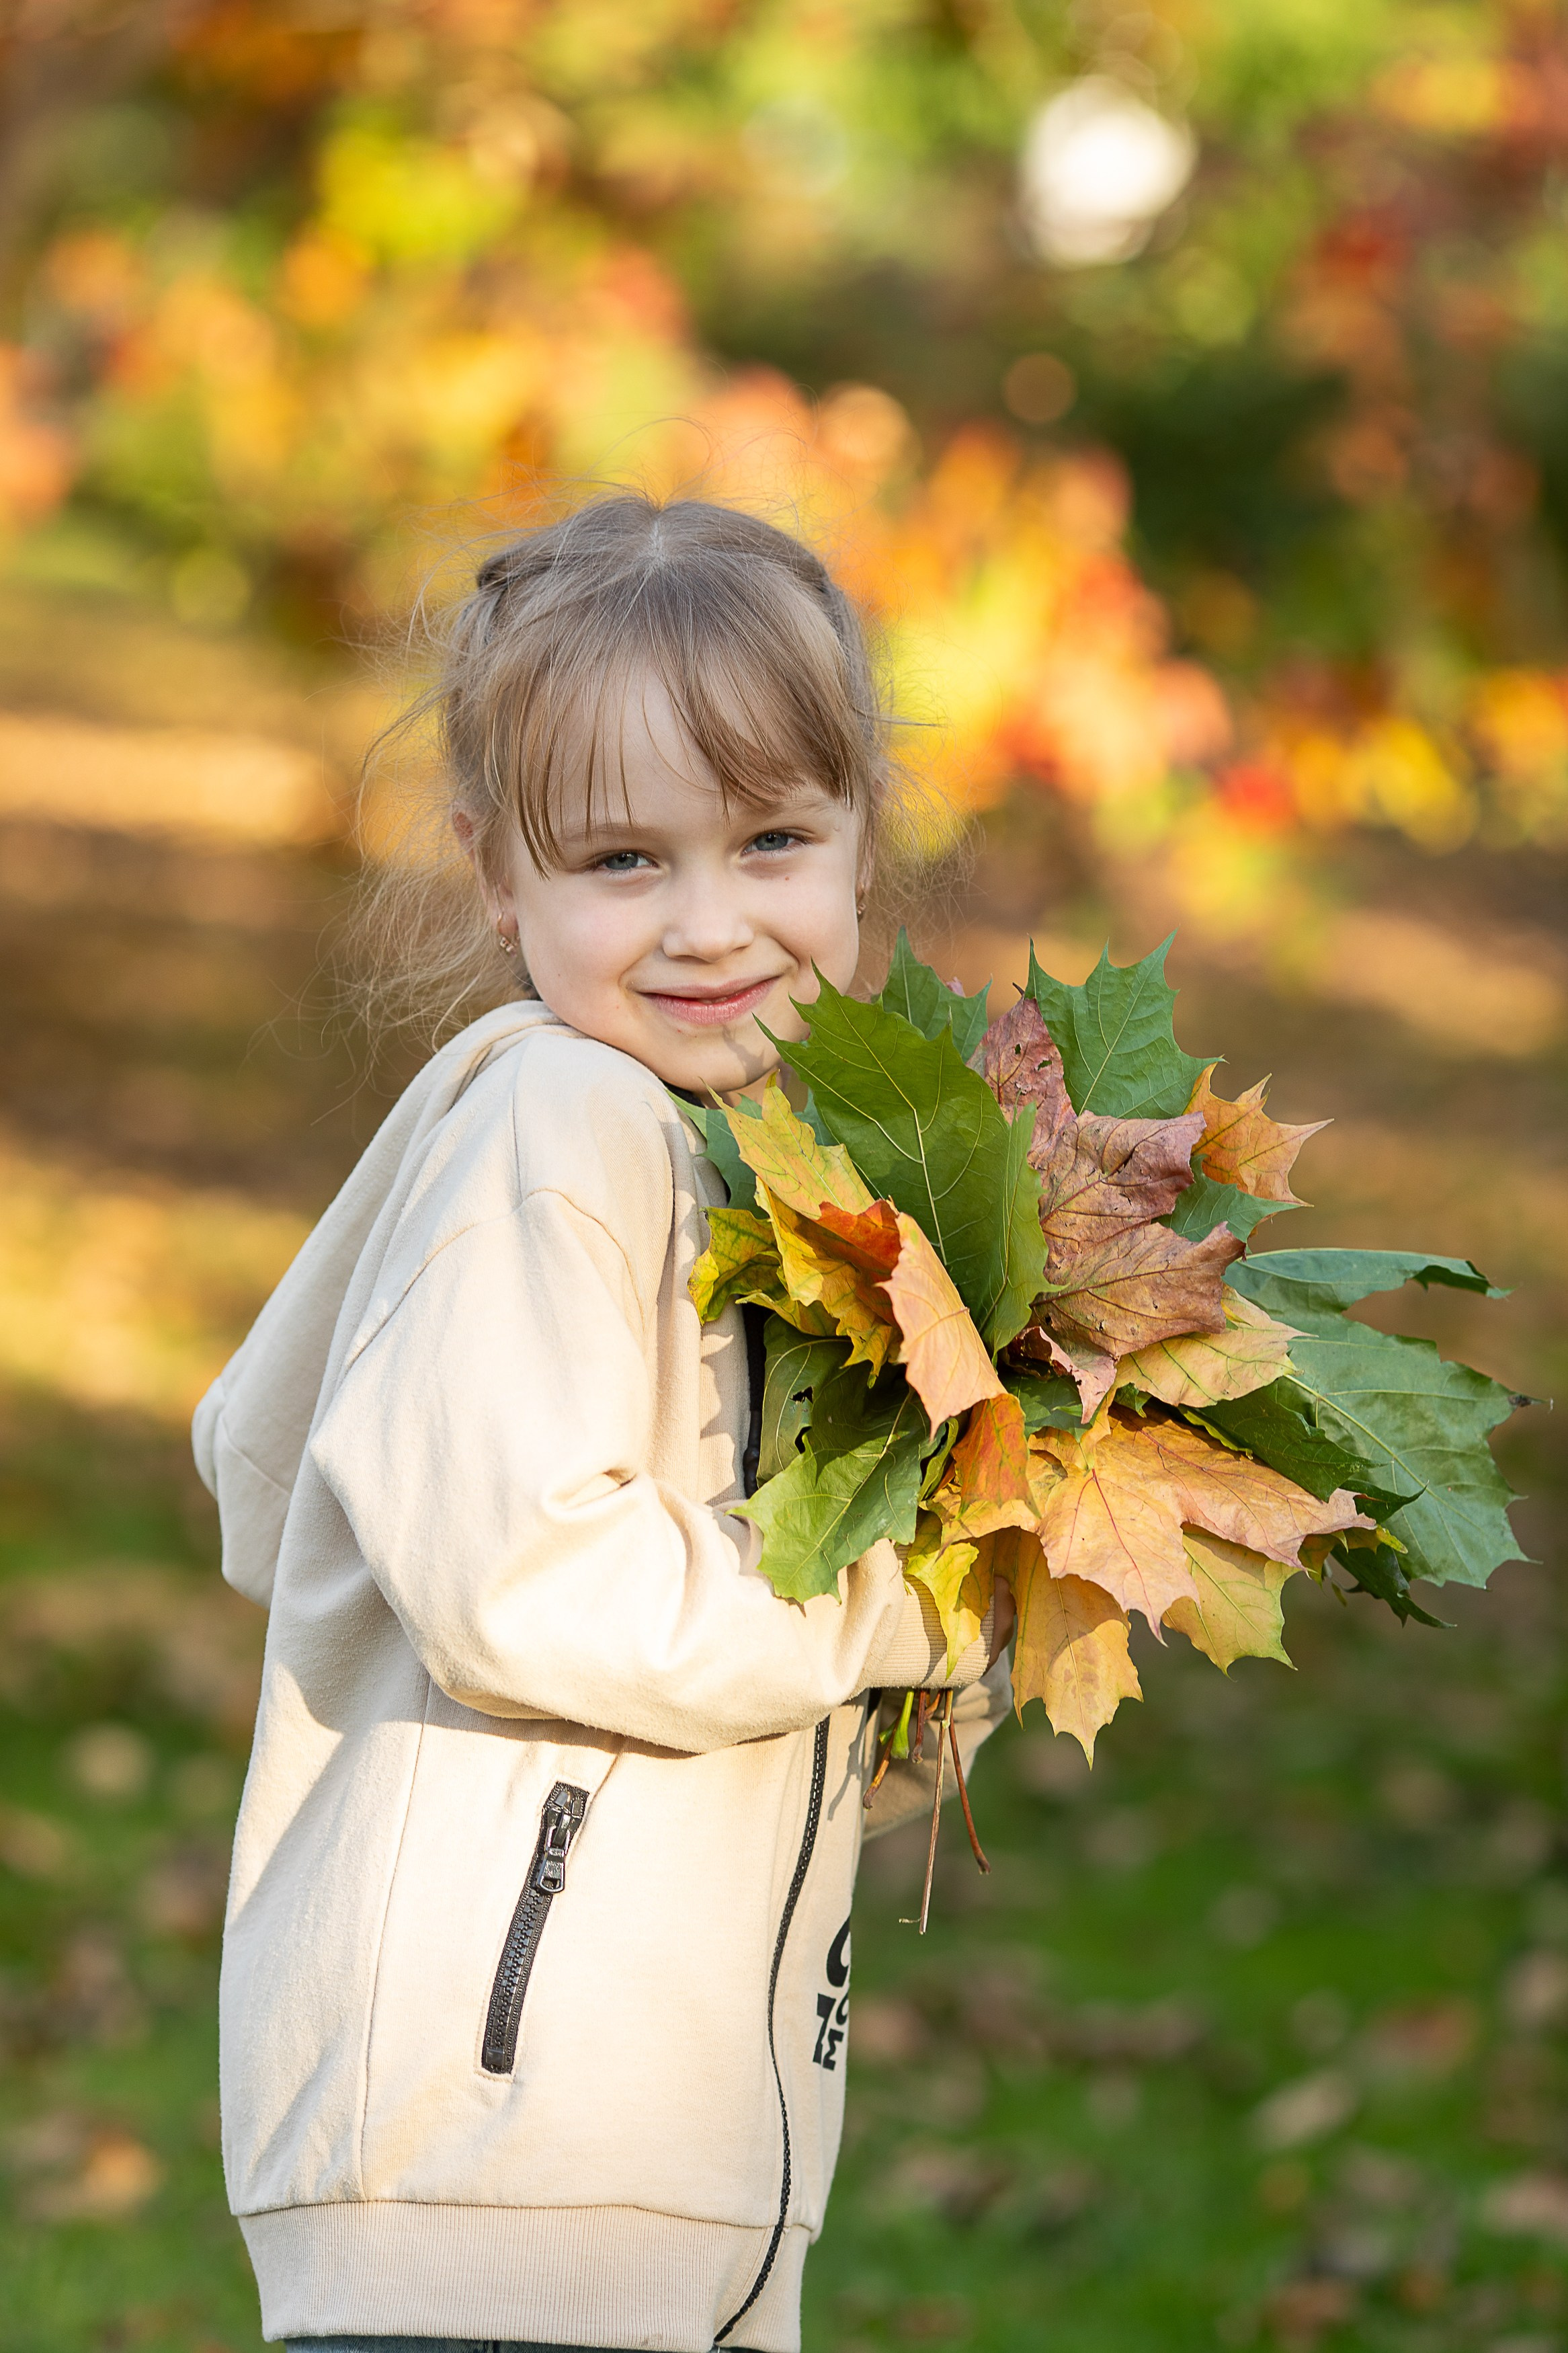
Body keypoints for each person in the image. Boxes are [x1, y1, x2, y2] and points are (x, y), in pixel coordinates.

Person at [192, 493, 1012, 2353]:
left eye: (774, 839)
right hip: (497, 2173)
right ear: (500, 872)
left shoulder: (763, 1190)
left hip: (671, 2175)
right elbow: (535, 1585)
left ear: (862, 836)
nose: (712, 923)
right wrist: (897, 1604)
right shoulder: (553, 1125)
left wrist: (947, 1640)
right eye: (624, 860)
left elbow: (775, 1711)